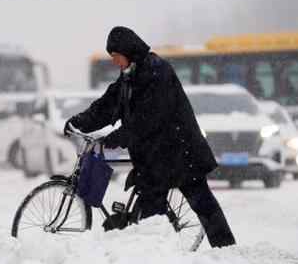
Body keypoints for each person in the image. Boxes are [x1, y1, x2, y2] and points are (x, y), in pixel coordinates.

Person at [64, 26, 236, 248]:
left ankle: (227, 252)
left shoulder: (157, 71)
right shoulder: (128, 77)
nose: (115, 61)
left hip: (181, 151)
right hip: (157, 157)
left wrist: (118, 137)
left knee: (202, 204)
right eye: (112, 57)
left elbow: (149, 117)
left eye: (116, 56)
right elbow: (106, 106)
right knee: (153, 212)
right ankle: (156, 253)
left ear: (128, 52)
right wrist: (79, 121)